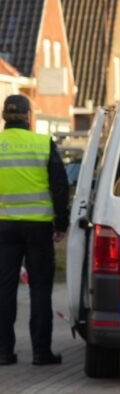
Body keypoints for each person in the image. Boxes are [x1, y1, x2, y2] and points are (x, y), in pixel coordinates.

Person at [0, 95, 69, 366]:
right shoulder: (42, 144)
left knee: (4, 289)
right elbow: (60, 187)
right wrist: (60, 223)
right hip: (39, 228)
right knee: (40, 289)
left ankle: (4, 352)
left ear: (5, 116)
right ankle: (41, 352)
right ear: (29, 116)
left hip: (3, 227)